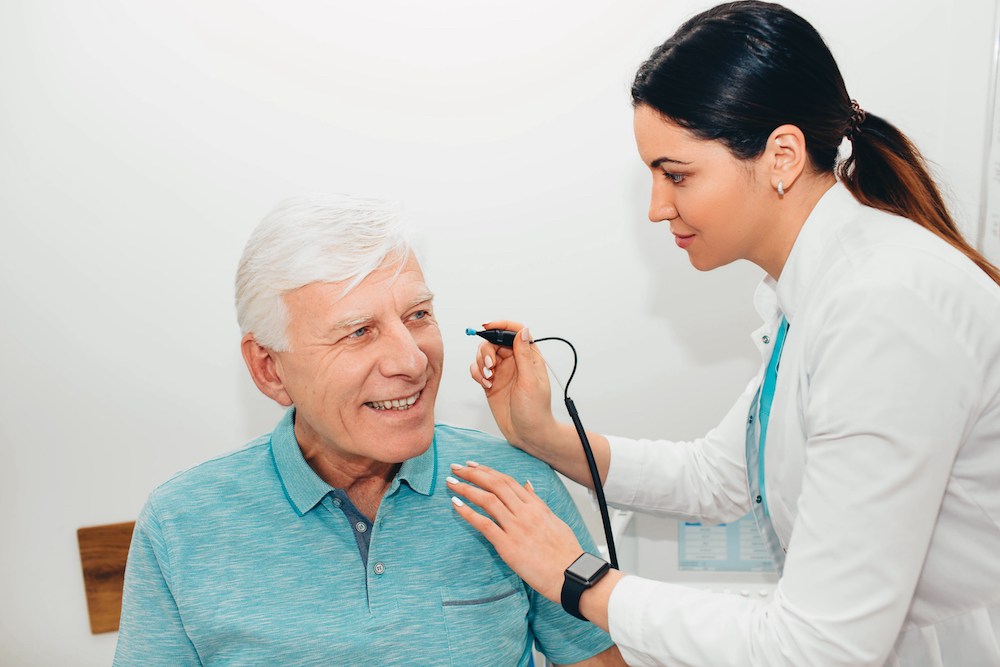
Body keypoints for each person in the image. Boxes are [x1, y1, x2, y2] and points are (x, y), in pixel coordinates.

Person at [448, 2, 1000, 666]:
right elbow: (716, 476)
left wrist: (581, 579)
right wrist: (542, 436)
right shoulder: (821, 292)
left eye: (676, 174)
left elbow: (821, 648)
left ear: (782, 156)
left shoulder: (883, 309)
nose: (657, 208)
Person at [113, 194, 623, 666]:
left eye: (418, 314)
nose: (412, 360)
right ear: (269, 368)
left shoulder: (517, 486)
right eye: (359, 332)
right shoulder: (179, 523)